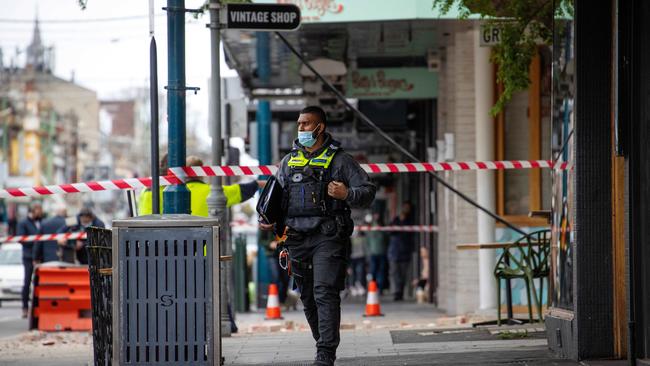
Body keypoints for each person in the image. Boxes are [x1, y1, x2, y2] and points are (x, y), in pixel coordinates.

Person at [260, 106, 376, 366]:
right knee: (308, 296)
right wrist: (269, 219)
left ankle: (325, 353)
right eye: (299, 124)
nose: (301, 128)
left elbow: (368, 192)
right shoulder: (289, 162)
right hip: (296, 238)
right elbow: (276, 198)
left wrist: (347, 194)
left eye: (305, 124)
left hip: (328, 236)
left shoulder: (341, 160)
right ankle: (321, 340)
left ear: (320, 127)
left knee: (325, 291)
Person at [16, 201, 43, 318]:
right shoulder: (23, 223)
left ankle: (38, 307)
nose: (41, 212)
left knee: (40, 282)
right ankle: (25, 308)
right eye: (39, 210)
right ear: (33, 210)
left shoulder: (41, 221)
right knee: (27, 282)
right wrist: (35, 244)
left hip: (40, 256)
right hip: (28, 256)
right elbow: (21, 239)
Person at [387, 201, 415, 301]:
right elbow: (390, 231)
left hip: (405, 252)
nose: (406, 209)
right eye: (405, 207)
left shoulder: (410, 221)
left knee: (402, 275)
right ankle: (396, 292)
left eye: (408, 208)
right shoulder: (396, 219)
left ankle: (400, 292)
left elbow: (410, 235)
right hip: (394, 251)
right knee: (394, 273)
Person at [366, 212, 388, 294]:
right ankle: (373, 287)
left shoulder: (382, 226)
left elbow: (386, 238)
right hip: (374, 253)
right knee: (374, 271)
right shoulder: (370, 227)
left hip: (381, 252)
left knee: (380, 271)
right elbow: (367, 241)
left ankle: (380, 288)